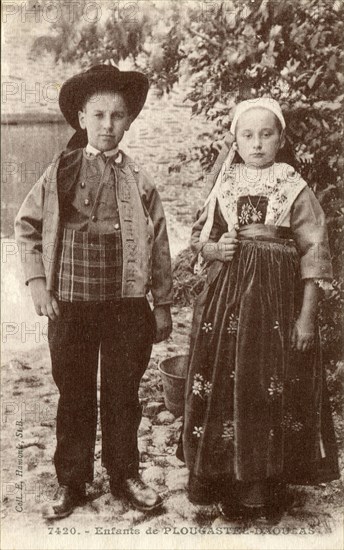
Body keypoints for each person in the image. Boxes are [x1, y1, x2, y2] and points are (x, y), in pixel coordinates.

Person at [15, 64, 173, 520]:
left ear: (128, 121)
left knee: (124, 392)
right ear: (82, 118)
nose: (108, 126)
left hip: (126, 305)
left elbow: (159, 242)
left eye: (117, 116)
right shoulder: (59, 171)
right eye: (99, 115)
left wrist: (161, 305)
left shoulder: (139, 180)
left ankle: (124, 474)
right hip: (72, 305)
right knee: (75, 392)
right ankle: (73, 481)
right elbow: (27, 227)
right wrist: (39, 284)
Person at [180, 98, 339, 520]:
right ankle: (224, 480)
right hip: (227, 304)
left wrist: (306, 316)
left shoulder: (292, 186)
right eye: (247, 135)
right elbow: (200, 239)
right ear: (234, 140)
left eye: (266, 134)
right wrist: (217, 248)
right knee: (226, 384)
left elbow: (314, 252)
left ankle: (265, 485)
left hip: (276, 303)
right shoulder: (224, 184)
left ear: (281, 138)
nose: (257, 143)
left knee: (269, 386)